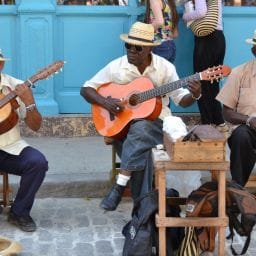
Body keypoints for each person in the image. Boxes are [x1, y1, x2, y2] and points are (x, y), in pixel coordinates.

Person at [80, 22, 201, 211]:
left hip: (157, 125)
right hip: (123, 128)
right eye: (128, 46)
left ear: (150, 49)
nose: (131, 51)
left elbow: (180, 99)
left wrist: (194, 94)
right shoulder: (116, 66)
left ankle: (122, 187)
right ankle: (142, 211)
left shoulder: (165, 68)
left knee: (142, 127)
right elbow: (86, 89)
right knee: (141, 149)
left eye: (137, 48)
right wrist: (107, 103)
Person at [0, 50, 48, 231]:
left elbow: (36, 126)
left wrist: (29, 101)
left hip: (10, 148)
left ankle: (19, 212)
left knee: (37, 163)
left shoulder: (15, 86)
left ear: (1, 65)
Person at [216, 30, 256, 187]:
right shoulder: (239, 73)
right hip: (248, 129)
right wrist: (249, 120)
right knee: (240, 136)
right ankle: (237, 190)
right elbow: (226, 112)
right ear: (254, 50)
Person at [182, 0, 228, 135]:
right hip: (219, 38)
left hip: (206, 40)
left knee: (200, 81)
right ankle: (219, 122)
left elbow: (201, 12)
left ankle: (207, 124)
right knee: (213, 82)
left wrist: (185, 16)